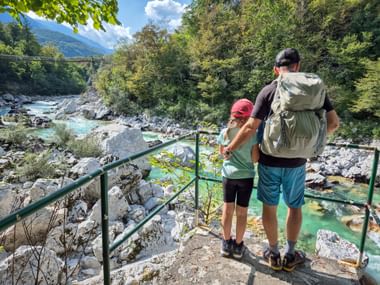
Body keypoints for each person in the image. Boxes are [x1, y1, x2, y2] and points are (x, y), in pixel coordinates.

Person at [223, 48, 339, 271]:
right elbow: (333, 123)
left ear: (276, 69)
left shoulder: (269, 91)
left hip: (270, 161)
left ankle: (274, 254)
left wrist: (230, 147)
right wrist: (311, 142)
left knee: (270, 206)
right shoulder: (314, 90)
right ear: (298, 66)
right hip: (297, 162)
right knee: (294, 207)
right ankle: (290, 254)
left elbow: (250, 127)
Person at [217, 98, 259, 259]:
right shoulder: (252, 135)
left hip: (228, 176)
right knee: (242, 213)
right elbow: (255, 159)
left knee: (227, 211)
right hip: (246, 177)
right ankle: (238, 246)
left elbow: (223, 154)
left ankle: (226, 244)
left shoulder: (224, 132)